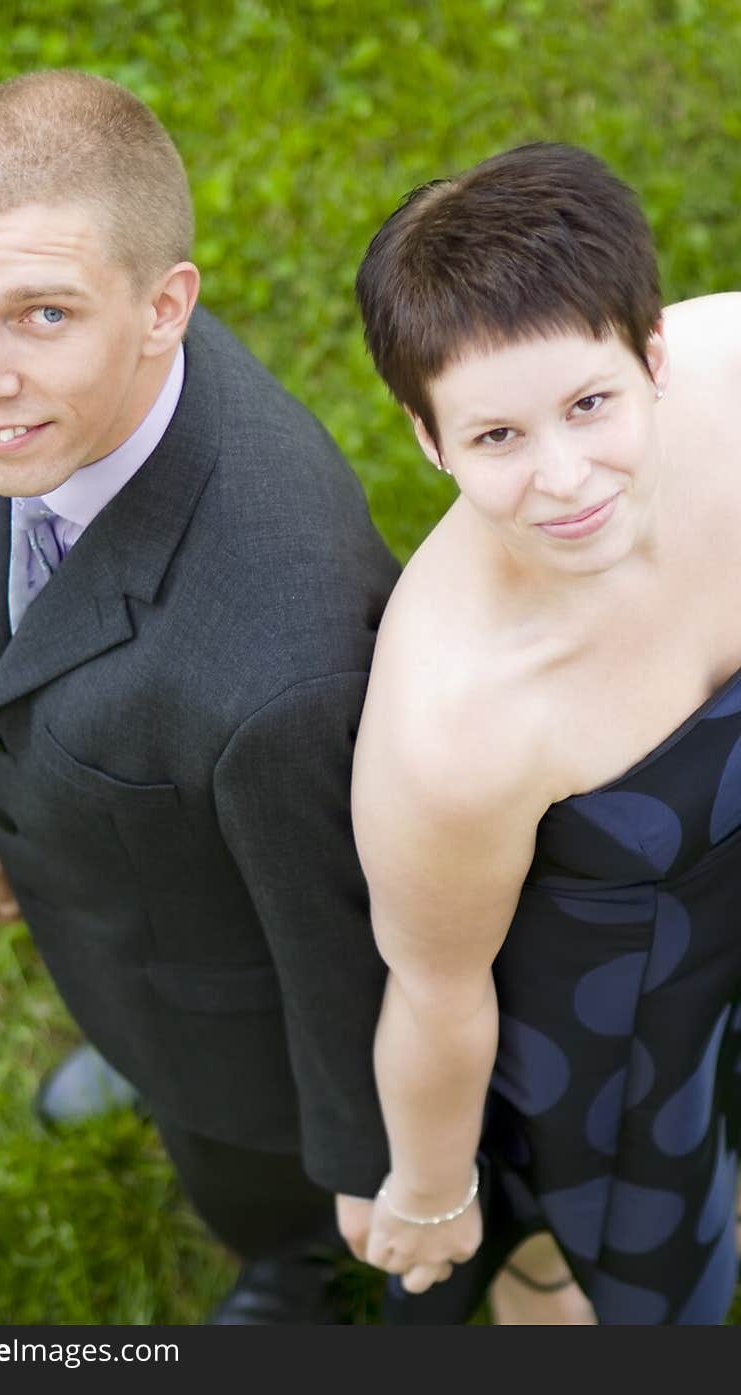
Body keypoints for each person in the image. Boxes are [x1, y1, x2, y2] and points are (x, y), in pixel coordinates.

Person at [0, 69, 402, 1324]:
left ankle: (288, 1258)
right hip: (123, 905)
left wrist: (366, 1169)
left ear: (164, 307)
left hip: (236, 1017)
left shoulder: (285, 659)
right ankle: (132, 1046)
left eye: (43, 315)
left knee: (240, 1151)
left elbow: (348, 956)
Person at [346, 142, 741, 1325]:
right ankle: (540, 1270)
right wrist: (425, 1193)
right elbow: (435, 991)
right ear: (428, 442)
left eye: (588, 404)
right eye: (497, 438)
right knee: (636, 1235)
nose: (566, 479)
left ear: (652, 353)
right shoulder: (454, 722)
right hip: (628, 1004)